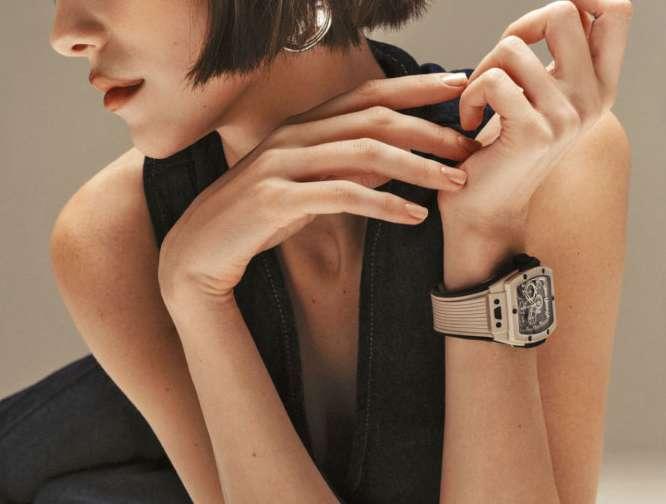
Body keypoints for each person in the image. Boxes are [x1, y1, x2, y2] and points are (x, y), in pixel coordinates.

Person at [1, 0, 632, 503]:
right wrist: (195, 294)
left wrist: (484, 234)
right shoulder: (114, 236)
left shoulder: (539, 160)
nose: (64, 33)